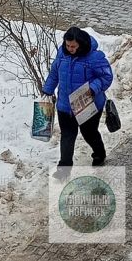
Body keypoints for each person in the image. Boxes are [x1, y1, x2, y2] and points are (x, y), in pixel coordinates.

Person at [42, 26, 113, 178]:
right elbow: (54, 73)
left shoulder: (94, 57)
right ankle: (63, 170)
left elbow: (106, 77)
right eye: (67, 45)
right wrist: (47, 89)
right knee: (67, 136)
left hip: (87, 103)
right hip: (65, 105)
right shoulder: (62, 54)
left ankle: (99, 153)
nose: (70, 49)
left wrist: (93, 88)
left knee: (89, 133)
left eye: (73, 46)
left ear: (81, 44)